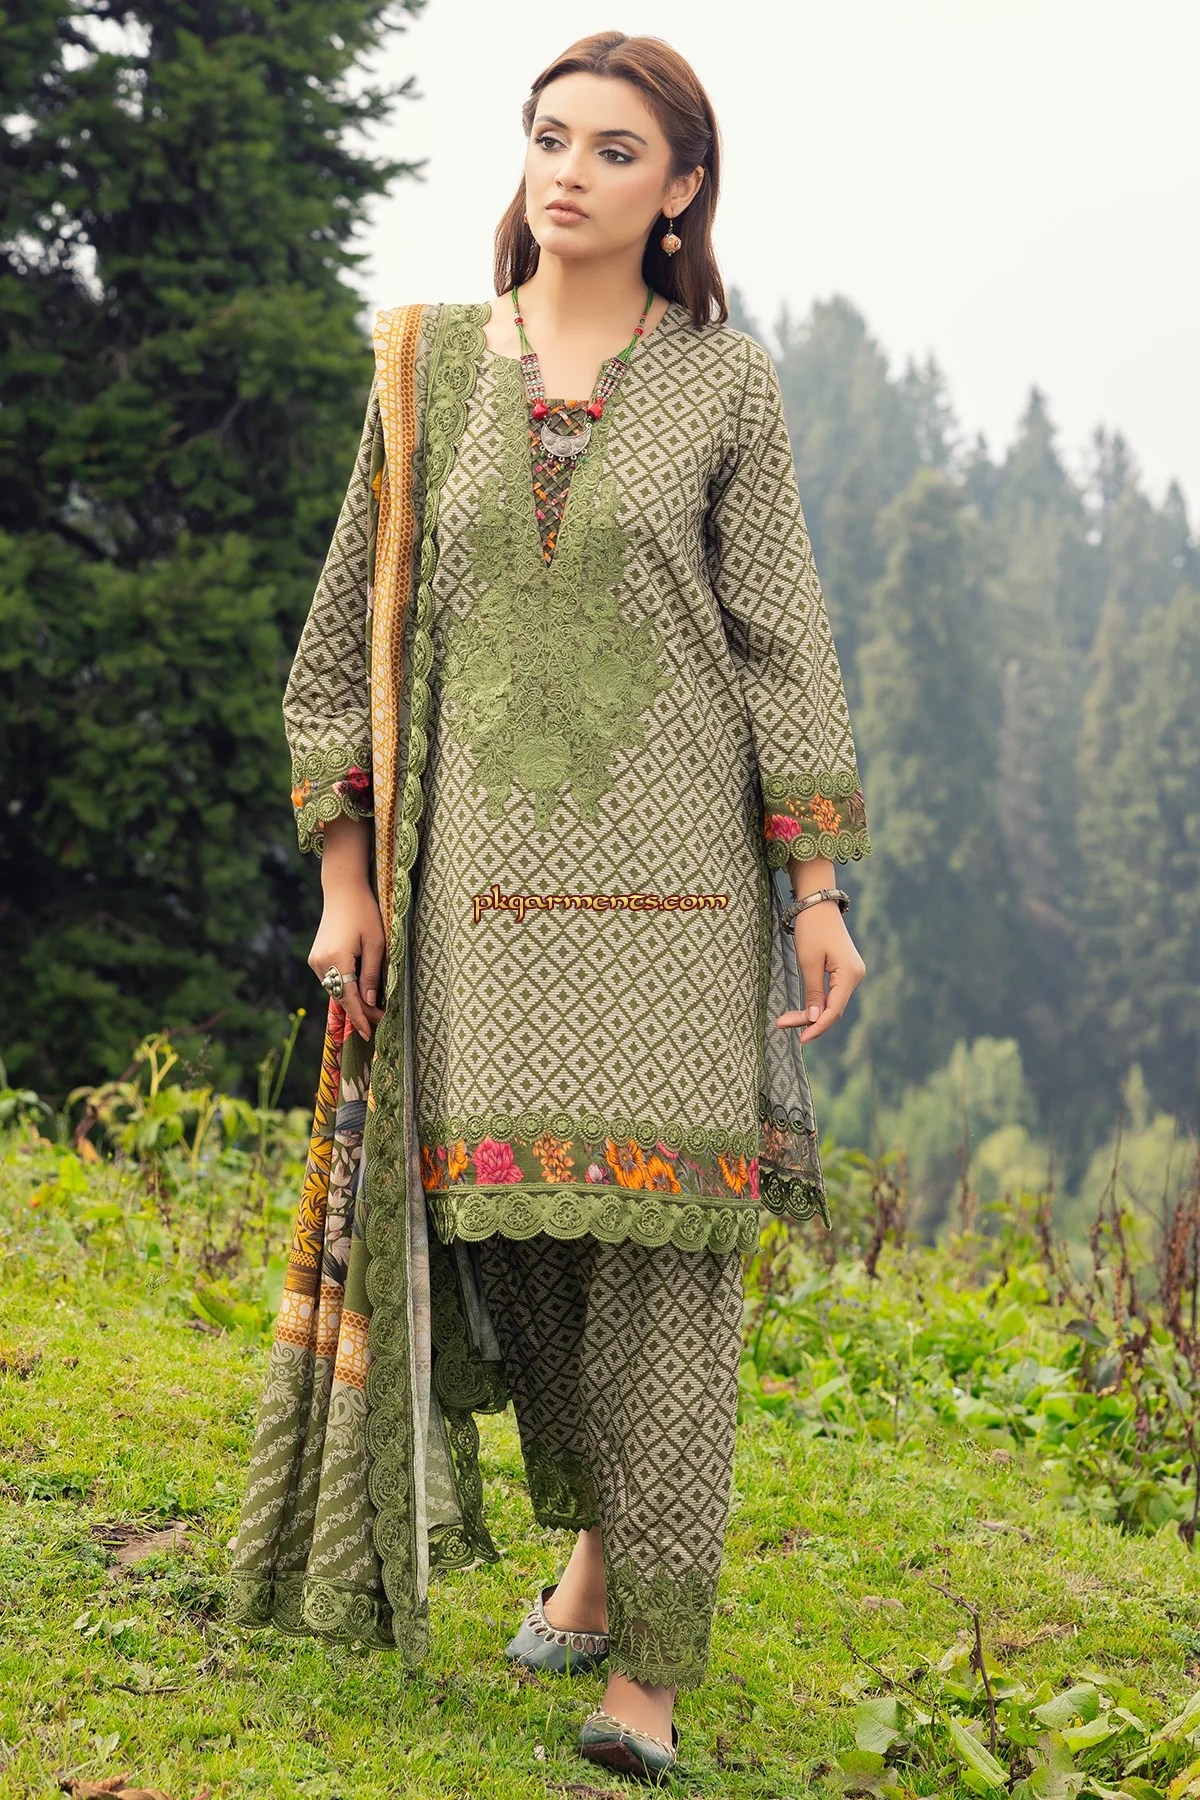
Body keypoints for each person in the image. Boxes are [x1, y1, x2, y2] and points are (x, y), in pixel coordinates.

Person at [226, 28, 871, 1786]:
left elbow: (784, 640)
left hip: (678, 899)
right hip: (476, 904)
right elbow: (338, 643)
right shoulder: (431, 368)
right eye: (549, 137)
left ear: (681, 190)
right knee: (520, 1251)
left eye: (614, 148)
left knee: (665, 1274)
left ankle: (646, 1671)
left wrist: (816, 887)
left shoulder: (724, 386)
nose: (569, 171)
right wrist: (347, 884)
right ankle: (595, 1540)